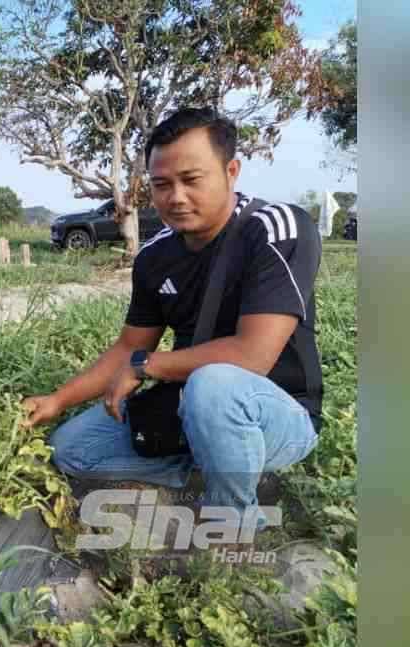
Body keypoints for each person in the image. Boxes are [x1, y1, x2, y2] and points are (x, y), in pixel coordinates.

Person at [22, 108, 322, 528]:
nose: (176, 197)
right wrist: (57, 400)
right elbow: (130, 346)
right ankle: (211, 472)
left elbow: (251, 355)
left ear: (231, 171)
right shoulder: (154, 256)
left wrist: (147, 366)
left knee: (214, 384)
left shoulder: (275, 228)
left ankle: (232, 524)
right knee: (72, 448)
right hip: (189, 408)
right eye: (162, 185)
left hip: (278, 416)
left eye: (191, 180)